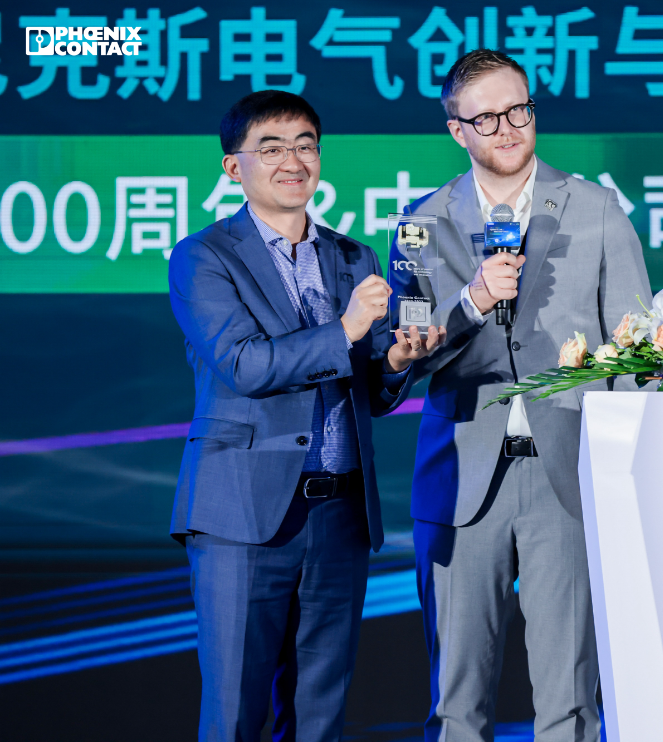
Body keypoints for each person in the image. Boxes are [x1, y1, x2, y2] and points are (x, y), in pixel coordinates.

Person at [167, 90, 444, 742]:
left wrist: (398, 360)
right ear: (233, 167)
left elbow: (369, 391)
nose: (292, 161)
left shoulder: (353, 257)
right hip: (241, 514)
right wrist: (346, 328)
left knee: (321, 715)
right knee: (235, 713)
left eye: (305, 145)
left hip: (339, 513)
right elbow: (243, 364)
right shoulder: (203, 256)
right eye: (271, 148)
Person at [400, 50, 652, 742]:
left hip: (567, 473)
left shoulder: (596, 209)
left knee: (569, 701)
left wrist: (626, 473)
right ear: (457, 130)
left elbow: (634, 354)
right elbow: (408, 355)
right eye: (486, 118)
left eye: (519, 110)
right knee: (456, 704)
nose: (508, 128)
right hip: (462, 474)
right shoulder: (420, 223)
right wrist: (472, 300)